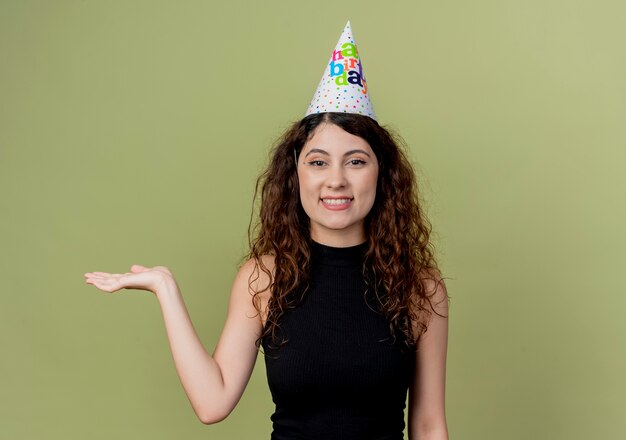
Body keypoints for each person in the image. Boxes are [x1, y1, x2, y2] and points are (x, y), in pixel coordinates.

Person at [84, 21, 449, 440]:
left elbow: (428, 424)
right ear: (295, 176)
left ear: (382, 175)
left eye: (356, 161)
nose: (336, 180)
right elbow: (212, 402)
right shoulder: (264, 279)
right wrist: (165, 288)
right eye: (317, 162)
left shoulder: (419, 288)